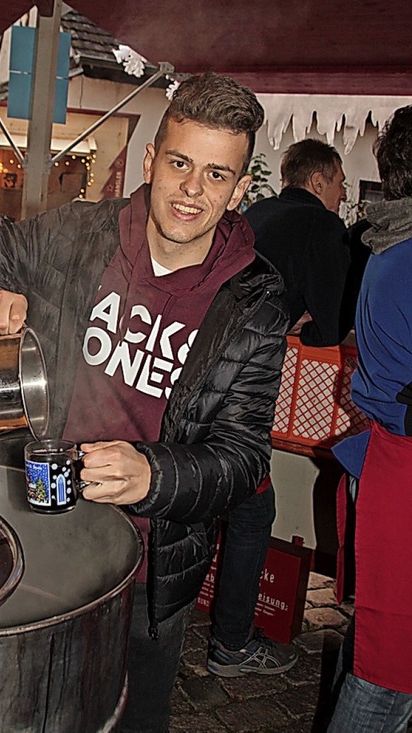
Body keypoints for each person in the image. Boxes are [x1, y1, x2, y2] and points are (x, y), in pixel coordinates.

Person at [0, 72, 288, 733]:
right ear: (150, 160)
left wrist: (155, 473)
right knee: (23, 709)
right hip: (44, 537)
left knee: (131, 718)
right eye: (179, 163)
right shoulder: (83, 233)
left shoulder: (256, 299)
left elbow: (244, 455)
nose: (191, 191)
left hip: (151, 568)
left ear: (238, 187)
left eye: (215, 175)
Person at [206, 139, 353, 677]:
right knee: (252, 509)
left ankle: (168, 621)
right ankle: (230, 645)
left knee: (201, 499)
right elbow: (333, 325)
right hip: (241, 387)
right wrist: (305, 324)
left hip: (199, 375)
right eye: (339, 183)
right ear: (318, 181)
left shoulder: (255, 212)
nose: (342, 194)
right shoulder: (322, 228)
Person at [327, 106, 412, 733]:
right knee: (390, 672)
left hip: (385, 463)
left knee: (383, 651)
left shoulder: (387, 248)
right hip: (402, 472)